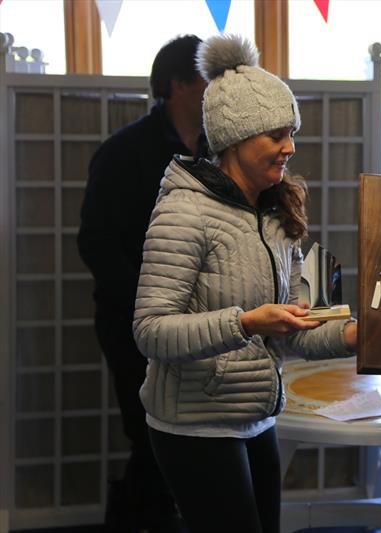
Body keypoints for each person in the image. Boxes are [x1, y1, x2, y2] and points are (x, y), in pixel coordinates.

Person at [132, 34, 357, 533]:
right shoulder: (183, 211)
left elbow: (297, 329)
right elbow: (150, 331)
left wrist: (356, 335)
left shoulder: (276, 215)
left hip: (256, 418)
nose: (290, 147)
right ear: (235, 137)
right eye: (277, 134)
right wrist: (244, 322)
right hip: (192, 425)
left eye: (291, 133)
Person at [77, 34, 206, 532]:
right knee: (152, 437)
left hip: (205, 325)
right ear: (178, 84)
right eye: (207, 78)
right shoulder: (123, 152)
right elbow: (95, 244)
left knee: (191, 437)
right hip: (133, 322)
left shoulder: (221, 152)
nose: (218, 88)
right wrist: (153, 305)